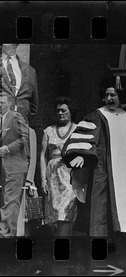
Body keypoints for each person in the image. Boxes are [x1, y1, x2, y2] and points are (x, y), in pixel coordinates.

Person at [61, 75, 126, 237]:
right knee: (101, 210)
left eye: (113, 95)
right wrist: (81, 156)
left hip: (123, 175)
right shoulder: (97, 116)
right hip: (102, 173)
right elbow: (87, 138)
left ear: (121, 96)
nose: (109, 98)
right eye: (106, 96)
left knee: (123, 214)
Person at [1, 44, 39, 233]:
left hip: (18, 144)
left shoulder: (30, 71)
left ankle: (7, 244)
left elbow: (33, 106)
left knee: (13, 199)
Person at [40, 97, 78, 236]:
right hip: (53, 178)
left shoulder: (77, 129)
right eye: (58, 111)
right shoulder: (48, 131)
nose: (60, 113)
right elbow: (43, 156)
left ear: (71, 112)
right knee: (55, 213)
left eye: (64, 110)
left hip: (69, 176)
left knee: (67, 209)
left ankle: (64, 240)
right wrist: (43, 179)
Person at [0, 92, 29, 237]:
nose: (0, 105)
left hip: (14, 166)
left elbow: (25, 138)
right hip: (2, 168)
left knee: (11, 203)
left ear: (10, 103)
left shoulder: (16, 117)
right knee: (5, 202)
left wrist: (8, 148)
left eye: (2, 102)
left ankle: (7, 239)